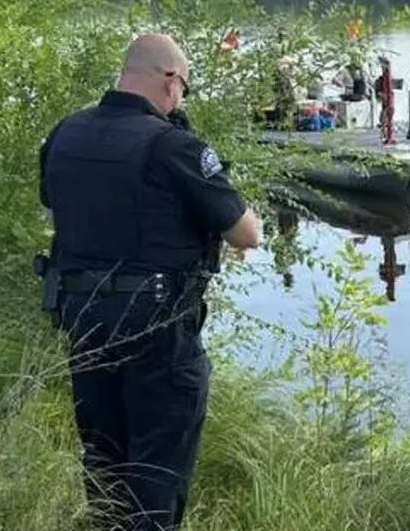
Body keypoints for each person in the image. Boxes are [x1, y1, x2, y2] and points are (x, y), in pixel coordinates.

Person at [38, 33, 262, 531]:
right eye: (184, 87)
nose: (181, 99)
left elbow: (59, 206)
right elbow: (245, 232)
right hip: (157, 331)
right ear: (169, 80)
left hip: (84, 322)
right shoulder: (171, 146)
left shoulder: (65, 134)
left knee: (104, 458)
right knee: (157, 471)